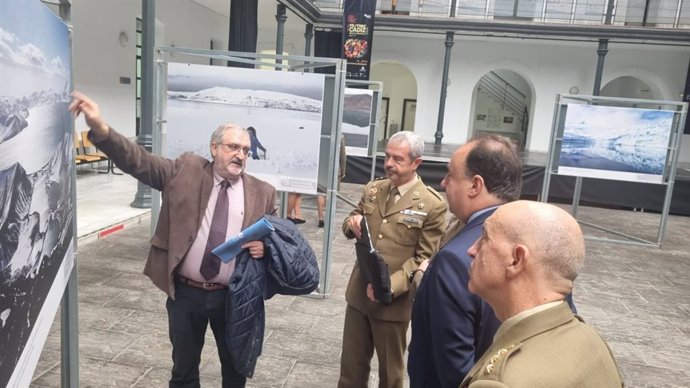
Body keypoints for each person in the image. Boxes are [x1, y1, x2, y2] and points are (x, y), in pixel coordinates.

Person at [69, 92, 277, 388]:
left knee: (235, 372)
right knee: (183, 372)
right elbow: (138, 161)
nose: (240, 155)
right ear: (214, 148)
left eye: (245, 149)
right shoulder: (185, 171)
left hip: (232, 297)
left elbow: (277, 238)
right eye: (233, 147)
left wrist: (265, 248)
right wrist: (101, 129)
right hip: (186, 295)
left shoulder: (263, 192)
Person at [461, 201, 624, 387]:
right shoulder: (592, 341)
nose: (472, 250)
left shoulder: (503, 381)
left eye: (484, 237)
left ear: (516, 260)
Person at [408, 135, 522, 388]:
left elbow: (455, 372)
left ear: (475, 186)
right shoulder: (539, 238)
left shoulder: (456, 258)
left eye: (450, 175)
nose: (443, 182)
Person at [338, 131, 447, 388]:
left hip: (392, 303)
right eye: (387, 156)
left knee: (390, 375)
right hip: (358, 295)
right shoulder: (374, 189)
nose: (389, 163)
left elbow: (424, 258)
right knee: (350, 370)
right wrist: (350, 224)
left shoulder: (432, 205)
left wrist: (386, 287)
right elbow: (352, 218)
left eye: (398, 159)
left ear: (416, 163)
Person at [316, 134, 347, 227]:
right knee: (331, 194)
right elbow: (343, 155)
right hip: (335, 169)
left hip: (321, 169)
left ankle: (320, 218)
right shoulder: (340, 135)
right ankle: (329, 219)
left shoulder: (320, 133)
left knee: (320, 193)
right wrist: (343, 170)